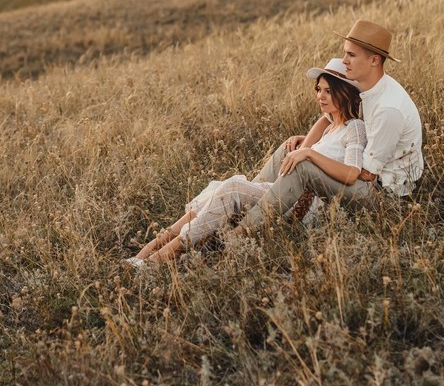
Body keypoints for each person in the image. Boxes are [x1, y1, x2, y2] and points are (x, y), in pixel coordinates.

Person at [126, 58, 366, 266]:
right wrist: (313, 134)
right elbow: (298, 153)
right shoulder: (328, 125)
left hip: (306, 205)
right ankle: (147, 252)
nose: (319, 96)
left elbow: (352, 172)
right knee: (216, 190)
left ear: (344, 93)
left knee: (231, 188)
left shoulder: (354, 127)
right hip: (285, 192)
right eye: (318, 89)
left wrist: (311, 154)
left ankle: (160, 258)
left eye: (328, 91)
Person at [238, 19, 423, 232]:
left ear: (374, 60)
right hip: (360, 167)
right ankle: (245, 199)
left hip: (382, 194)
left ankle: (238, 234)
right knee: (291, 150)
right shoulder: (364, 86)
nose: (344, 61)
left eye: (351, 55)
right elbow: (328, 119)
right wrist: (306, 146)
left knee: (303, 166)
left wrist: (312, 154)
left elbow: (365, 174)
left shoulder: (388, 109)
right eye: (345, 53)